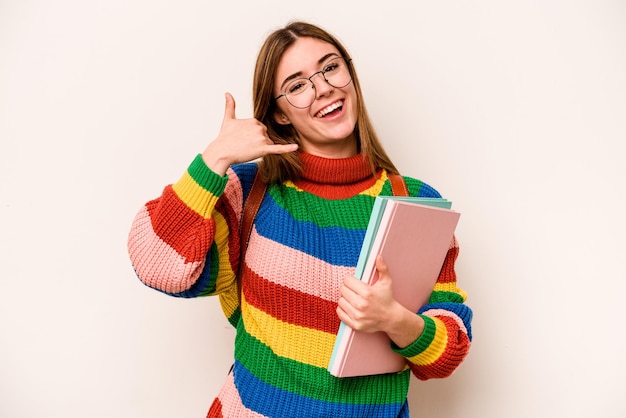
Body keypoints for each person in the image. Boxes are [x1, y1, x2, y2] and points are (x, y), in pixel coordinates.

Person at [127, 20, 472, 418]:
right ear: (280, 114)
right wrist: (215, 158)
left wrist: (396, 321)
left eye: (330, 67)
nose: (323, 87)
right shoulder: (250, 192)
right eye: (297, 85)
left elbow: (447, 353)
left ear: (350, 74)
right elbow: (158, 265)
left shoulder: (414, 202)